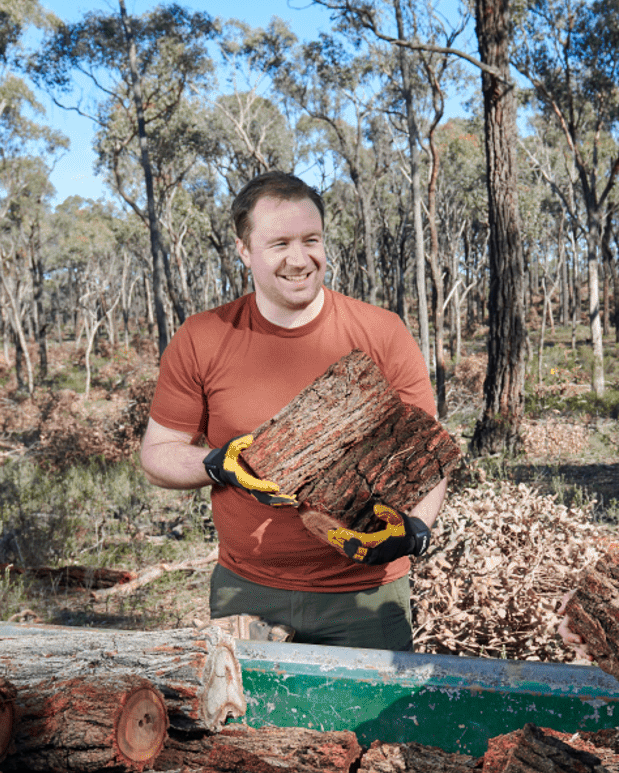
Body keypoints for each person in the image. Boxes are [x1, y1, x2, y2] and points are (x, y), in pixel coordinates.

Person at [140, 171, 446, 650]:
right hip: (247, 590)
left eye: (311, 240)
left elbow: (428, 457)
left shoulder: (382, 332)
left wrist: (416, 530)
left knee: (376, 706)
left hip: (365, 595)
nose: (299, 259)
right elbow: (157, 454)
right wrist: (219, 464)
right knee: (242, 704)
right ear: (244, 251)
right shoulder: (203, 337)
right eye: (279, 243)